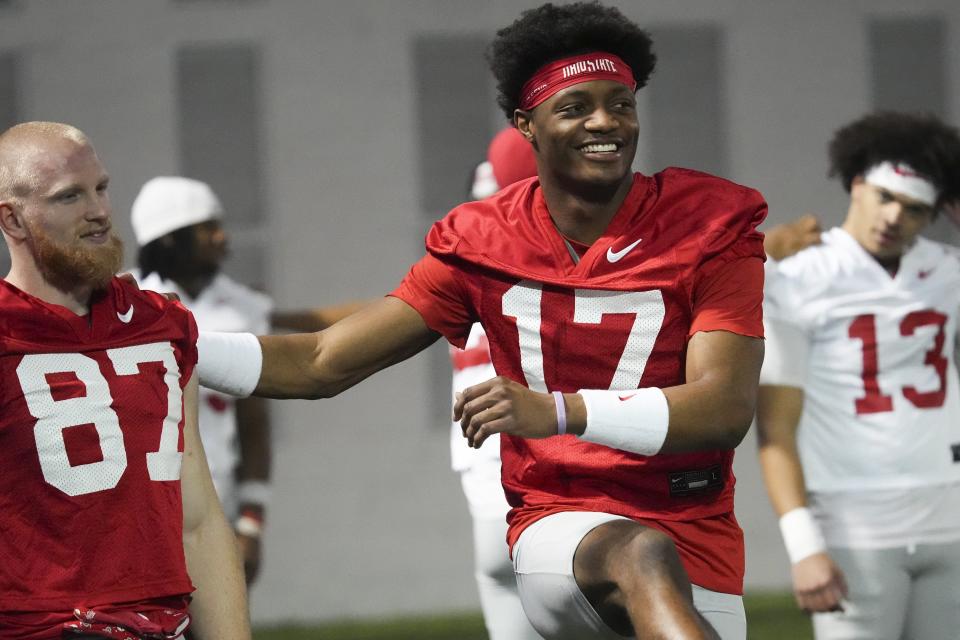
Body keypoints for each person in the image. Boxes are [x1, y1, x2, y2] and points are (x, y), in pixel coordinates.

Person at [199, 3, 767, 638]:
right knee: (639, 553)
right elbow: (322, 361)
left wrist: (553, 411)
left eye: (621, 103)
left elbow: (724, 408)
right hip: (562, 520)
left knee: (657, 562)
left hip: (695, 522)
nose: (605, 121)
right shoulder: (484, 239)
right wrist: (177, 344)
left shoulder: (709, 225)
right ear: (526, 124)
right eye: (575, 106)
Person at [0, 122, 250, 639]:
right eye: (69, 196)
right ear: (13, 219)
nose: (98, 211)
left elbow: (197, 521)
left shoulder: (162, 323)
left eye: (101, 188)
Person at [757, 111, 960, 639]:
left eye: (916, 209)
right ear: (857, 183)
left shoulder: (946, 271)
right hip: (854, 524)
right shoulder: (801, 275)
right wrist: (804, 547)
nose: (895, 217)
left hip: (951, 517)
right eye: (885, 197)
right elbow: (775, 431)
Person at [129, 176, 273, 585]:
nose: (222, 237)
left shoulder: (243, 308)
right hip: (139, 515)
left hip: (216, 509)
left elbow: (254, 425)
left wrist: (251, 522)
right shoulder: (120, 301)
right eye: (208, 227)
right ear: (172, 238)